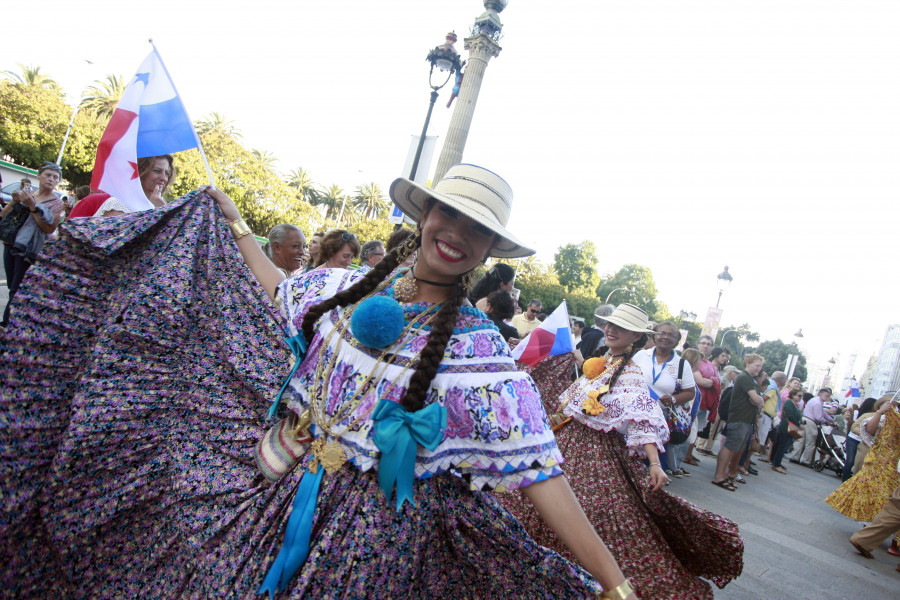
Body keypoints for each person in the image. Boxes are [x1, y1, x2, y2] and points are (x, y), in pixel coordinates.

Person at [2, 166, 643, 598]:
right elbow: (281, 292)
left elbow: (541, 475)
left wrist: (615, 587)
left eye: (477, 229)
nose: (457, 235)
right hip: (272, 482)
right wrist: (235, 226)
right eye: (450, 214)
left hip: (362, 543)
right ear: (427, 214)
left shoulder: (482, 356)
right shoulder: (345, 289)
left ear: (489, 251)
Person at [501, 304, 743, 599]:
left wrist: (655, 462)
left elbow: (643, 418)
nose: (611, 331)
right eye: (610, 325)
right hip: (566, 444)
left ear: (636, 338)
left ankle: (586, 577)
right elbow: (573, 404)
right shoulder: (602, 361)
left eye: (622, 328)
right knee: (539, 501)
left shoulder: (630, 373)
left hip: (596, 454)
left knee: (594, 516)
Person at [1, 162, 65, 329]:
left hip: (28, 249)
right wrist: (14, 202)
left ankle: (7, 324)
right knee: (11, 286)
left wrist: (32, 206)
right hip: (11, 243)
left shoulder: (57, 204)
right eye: (48, 175)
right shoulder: (27, 194)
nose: (51, 179)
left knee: (17, 288)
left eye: (55, 177)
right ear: (39, 176)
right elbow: (4, 215)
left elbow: (48, 227)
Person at [633, 321, 696, 477]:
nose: (666, 337)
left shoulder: (682, 364)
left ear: (677, 340)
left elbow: (690, 392)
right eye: (662, 333)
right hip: (633, 412)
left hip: (659, 418)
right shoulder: (641, 355)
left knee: (650, 458)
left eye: (671, 335)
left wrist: (674, 399)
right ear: (654, 336)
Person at [827, 398, 900, 532]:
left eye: (895, 406)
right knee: (860, 477)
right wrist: (879, 413)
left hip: (890, 463)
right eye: (889, 405)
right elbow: (863, 429)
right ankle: (867, 520)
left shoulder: (896, 421)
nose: (892, 408)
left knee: (883, 493)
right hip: (868, 453)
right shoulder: (870, 416)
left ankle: (873, 522)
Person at [711, 354, 765, 491]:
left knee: (735, 448)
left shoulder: (749, 380)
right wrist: (758, 400)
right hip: (739, 419)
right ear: (748, 363)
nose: (759, 369)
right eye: (757, 365)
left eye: (760, 366)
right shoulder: (745, 378)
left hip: (745, 420)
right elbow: (756, 400)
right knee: (730, 447)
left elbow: (756, 400)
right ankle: (719, 476)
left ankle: (725, 474)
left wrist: (757, 400)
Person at [68, 155, 174, 218]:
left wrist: (161, 211)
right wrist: (156, 214)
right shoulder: (119, 204)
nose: (164, 178)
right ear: (141, 172)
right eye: (157, 171)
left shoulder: (159, 206)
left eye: (167, 173)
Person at [684, 336, 720, 467]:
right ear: (698, 344)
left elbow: (717, 381)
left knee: (696, 430)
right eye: (703, 343)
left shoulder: (710, 365)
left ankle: (689, 454)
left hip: (705, 402)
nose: (706, 346)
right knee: (687, 430)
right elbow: (700, 381)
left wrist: (710, 381)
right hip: (691, 400)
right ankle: (684, 456)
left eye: (709, 344)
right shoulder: (695, 360)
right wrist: (711, 381)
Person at [790, 388, 835, 467]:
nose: (828, 397)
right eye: (826, 395)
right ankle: (806, 460)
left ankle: (795, 457)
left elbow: (823, 413)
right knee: (810, 443)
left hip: (804, 419)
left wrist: (831, 420)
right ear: (821, 394)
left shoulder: (814, 400)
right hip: (811, 422)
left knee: (800, 440)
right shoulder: (818, 403)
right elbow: (819, 417)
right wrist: (827, 422)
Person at [842, 397, 879, 480]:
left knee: (859, 462)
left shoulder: (876, 416)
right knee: (850, 461)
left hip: (864, 442)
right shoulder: (857, 413)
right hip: (853, 439)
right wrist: (863, 433)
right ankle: (845, 480)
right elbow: (853, 426)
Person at [770, 388, 804, 474]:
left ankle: (777, 462)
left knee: (783, 446)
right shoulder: (789, 403)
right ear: (793, 395)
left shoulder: (794, 404)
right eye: (799, 395)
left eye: (801, 396)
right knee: (782, 446)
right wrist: (799, 425)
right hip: (786, 427)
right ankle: (776, 464)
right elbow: (790, 415)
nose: (800, 398)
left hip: (789, 428)